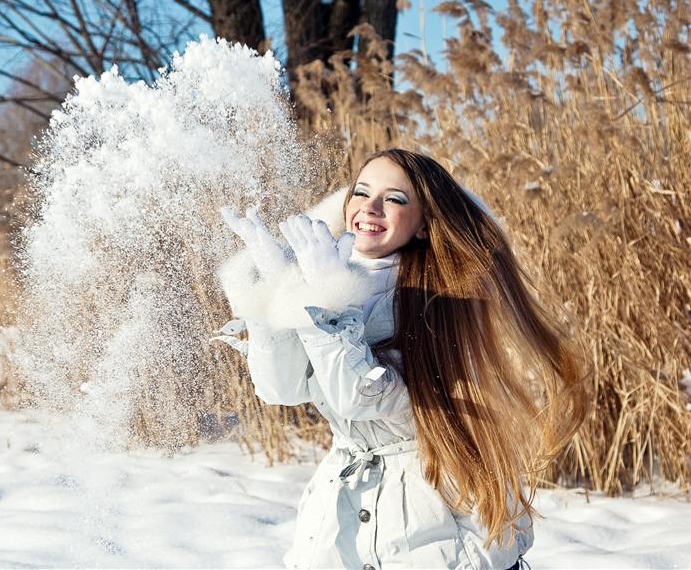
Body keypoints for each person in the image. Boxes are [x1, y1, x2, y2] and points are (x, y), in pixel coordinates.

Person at [216, 148, 586, 570]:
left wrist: (328, 301)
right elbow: (280, 389)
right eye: (361, 192)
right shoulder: (324, 273)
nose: (370, 207)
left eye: (394, 198)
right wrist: (277, 294)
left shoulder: (443, 301)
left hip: (431, 518)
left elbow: (365, 398)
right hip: (342, 514)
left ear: (425, 223)